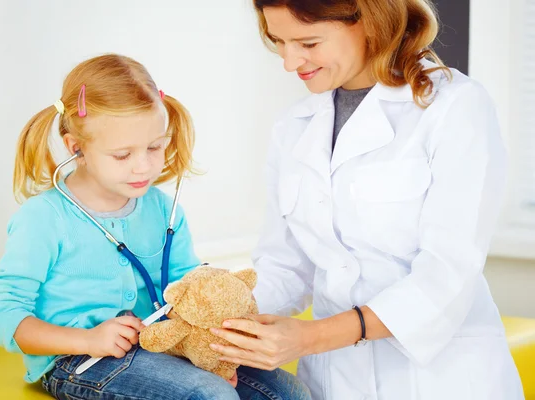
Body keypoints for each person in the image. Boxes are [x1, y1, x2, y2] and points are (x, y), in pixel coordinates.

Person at [209, 2, 525, 399]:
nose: (290, 62)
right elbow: (285, 265)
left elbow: (447, 274)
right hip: (332, 380)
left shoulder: (454, 105)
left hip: (439, 378)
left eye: (307, 42)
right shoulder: (293, 126)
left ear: (371, 22)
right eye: (279, 42)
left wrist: (312, 337)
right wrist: (214, 321)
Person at [0, 53, 310, 400]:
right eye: (123, 155)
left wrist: (216, 349)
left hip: (161, 345)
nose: (144, 167)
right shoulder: (43, 218)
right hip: (80, 359)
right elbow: (6, 315)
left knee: (286, 391)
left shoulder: (161, 208)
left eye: (154, 147)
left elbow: (184, 286)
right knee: (209, 395)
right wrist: (89, 338)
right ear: (76, 147)